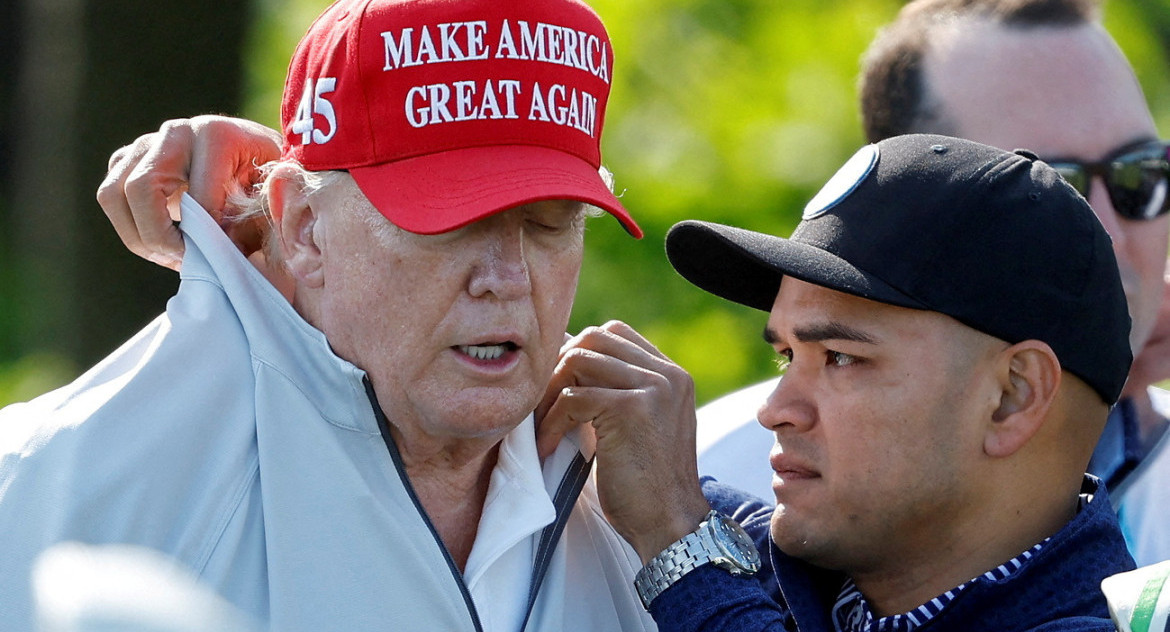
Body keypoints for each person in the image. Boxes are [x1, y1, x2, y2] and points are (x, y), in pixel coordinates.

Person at [0, 0, 659, 630]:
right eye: (452, 222)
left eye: (549, 225)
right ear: (305, 227)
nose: (509, 280)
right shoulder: (61, 489)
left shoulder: (651, 496)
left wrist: (692, 544)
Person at [547, 133, 1135, 630]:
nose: (776, 410)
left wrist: (679, 542)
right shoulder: (788, 557)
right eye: (786, 356)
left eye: (841, 357)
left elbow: (679, 519)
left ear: (1012, 396)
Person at [696, 0, 1170, 567]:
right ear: (902, 188)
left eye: (1140, 175)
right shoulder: (722, 472)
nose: (1111, 235)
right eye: (1050, 190)